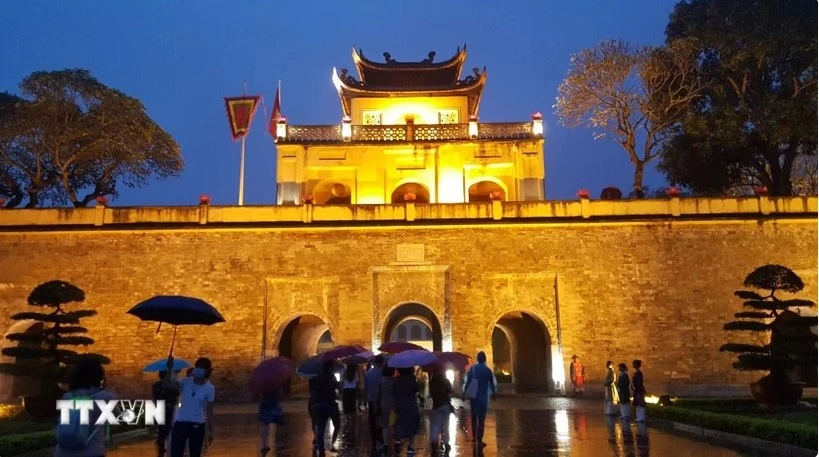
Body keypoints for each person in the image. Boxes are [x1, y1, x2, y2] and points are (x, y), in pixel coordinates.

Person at [55, 358, 114, 457]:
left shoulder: (67, 397)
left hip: (63, 452)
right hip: (92, 451)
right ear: (98, 376)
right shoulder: (105, 398)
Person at [163, 356, 215, 457]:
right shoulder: (186, 381)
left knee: (195, 454)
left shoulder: (210, 388)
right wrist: (170, 369)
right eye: (197, 367)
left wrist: (210, 431)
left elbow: (209, 411)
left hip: (197, 426)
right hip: (180, 424)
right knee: (176, 454)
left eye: (201, 367)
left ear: (207, 371)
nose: (198, 369)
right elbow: (168, 385)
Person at [463, 351, 496, 448]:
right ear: (485, 359)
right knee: (481, 419)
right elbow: (491, 383)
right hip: (483, 397)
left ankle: (474, 436)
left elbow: (468, 382)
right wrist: (494, 393)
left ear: (477, 359)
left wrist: (464, 394)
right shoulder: (487, 370)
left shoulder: (472, 369)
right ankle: (480, 438)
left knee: (473, 417)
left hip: (474, 396)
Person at [309, 360, 340, 454]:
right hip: (330, 403)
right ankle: (332, 443)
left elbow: (312, 390)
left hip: (319, 404)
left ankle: (321, 450)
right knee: (337, 425)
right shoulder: (331, 377)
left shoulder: (315, 378)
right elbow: (337, 388)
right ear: (330, 368)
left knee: (321, 427)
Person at [393, 367, 420, 456]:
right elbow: (417, 389)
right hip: (410, 404)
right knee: (413, 424)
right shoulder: (412, 380)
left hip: (399, 404)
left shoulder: (397, 380)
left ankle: (398, 440)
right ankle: (410, 447)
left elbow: (394, 391)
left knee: (400, 421)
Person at [152, 370, 179, 457]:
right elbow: (176, 395)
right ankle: (167, 444)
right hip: (168, 408)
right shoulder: (171, 386)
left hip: (159, 408)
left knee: (161, 428)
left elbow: (155, 396)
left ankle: (161, 445)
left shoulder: (156, 385)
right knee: (168, 427)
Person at [428, 364, 454, 453]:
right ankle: (446, 443)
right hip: (445, 405)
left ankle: (434, 442)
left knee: (436, 425)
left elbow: (431, 393)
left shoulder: (433, 382)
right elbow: (451, 391)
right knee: (446, 425)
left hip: (436, 405)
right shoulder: (445, 381)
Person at [364, 356, 385, 450]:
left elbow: (366, 386)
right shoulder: (382, 373)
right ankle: (380, 435)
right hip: (380, 399)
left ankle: (374, 438)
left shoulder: (368, 373)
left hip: (371, 399)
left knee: (372, 419)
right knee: (381, 418)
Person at [377, 365, 397, 456]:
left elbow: (378, 393)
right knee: (393, 424)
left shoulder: (381, 381)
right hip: (394, 406)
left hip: (383, 404)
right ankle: (395, 441)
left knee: (385, 425)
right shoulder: (395, 381)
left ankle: (385, 443)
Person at [258, 387, 284, 456]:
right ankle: (280, 443)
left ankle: (263, 445)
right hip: (274, 400)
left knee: (264, 423)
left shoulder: (263, 379)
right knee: (279, 421)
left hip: (264, 400)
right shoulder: (276, 379)